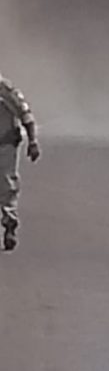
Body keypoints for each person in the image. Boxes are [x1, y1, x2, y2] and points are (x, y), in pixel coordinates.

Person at [0, 73, 40, 251]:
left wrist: (33, 141)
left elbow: (25, 113)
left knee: (7, 185)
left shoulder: (5, 89)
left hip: (5, 144)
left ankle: (9, 224)